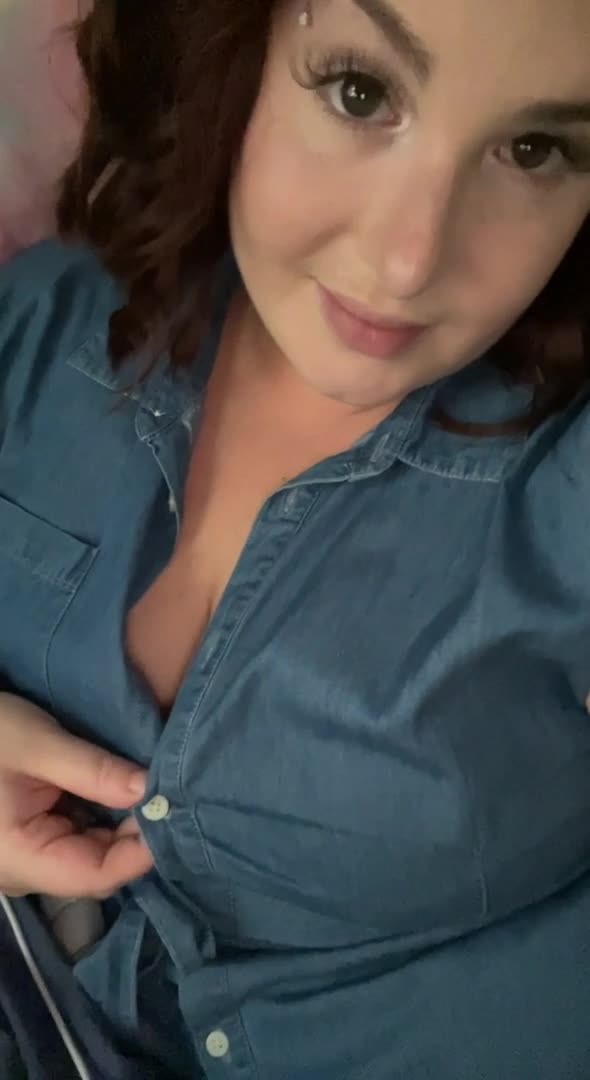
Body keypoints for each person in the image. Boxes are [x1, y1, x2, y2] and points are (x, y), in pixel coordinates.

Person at [0, 0, 589, 1076]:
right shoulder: (42, 324)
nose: (408, 260)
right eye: (360, 92)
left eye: (535, 149)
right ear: (235, 50)